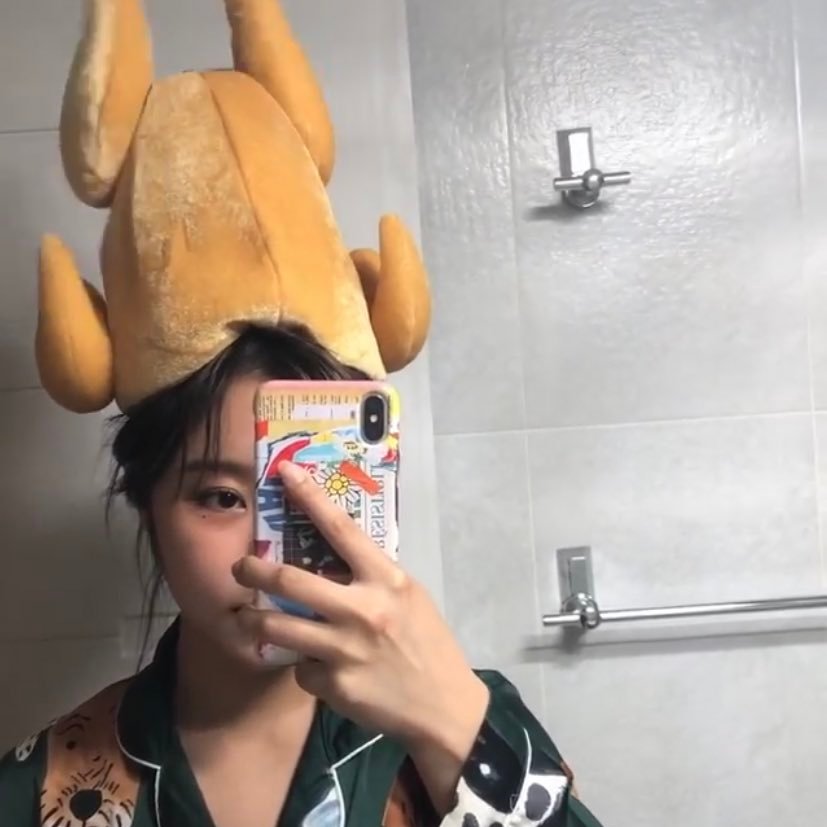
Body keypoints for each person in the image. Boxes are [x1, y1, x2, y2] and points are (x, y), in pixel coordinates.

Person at [0, 323, 605, 827]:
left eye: (315, 496)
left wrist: (454, 724)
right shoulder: (44, 783)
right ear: (148, 509)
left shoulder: (469, 716)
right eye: (222, 497)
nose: (271, 557)